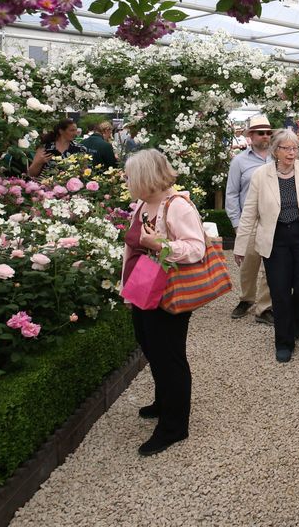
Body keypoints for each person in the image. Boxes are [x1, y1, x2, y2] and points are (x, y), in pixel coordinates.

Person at [121, 149, 206, 457]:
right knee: (151, 347)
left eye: (131, 175)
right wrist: (127, 289)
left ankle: (174, 427)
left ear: (145, 176)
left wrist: (159, 244)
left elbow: (196, 249)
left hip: (168, 293)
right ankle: (163, 402)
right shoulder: (144, 202)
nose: (126, 180)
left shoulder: (177, 206)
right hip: (144, 288)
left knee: (170, 357)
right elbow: (132, 251)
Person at [234, 129, 299, 363]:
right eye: (286, 148)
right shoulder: (261, 175)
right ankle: (284, 342)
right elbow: (249, 213)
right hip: (274, 239)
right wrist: (240, 246)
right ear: (275, 151)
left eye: (295, 148)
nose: (292, 152)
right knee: (279, 291)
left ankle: (297, 317)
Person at [225, 115, 275, 324]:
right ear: (251, 136)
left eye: (268, 133)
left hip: (273, 220)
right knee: (248, 264)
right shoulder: (239, 161)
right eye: (260, 133)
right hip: (249, 221)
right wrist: (237, 224)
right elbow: (231, 194)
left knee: (270, 265)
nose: (265, 136)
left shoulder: (278, 158)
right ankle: (246, 299)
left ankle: (264, 308)